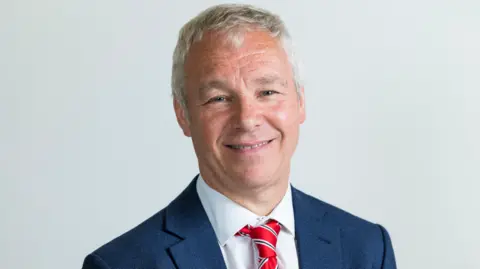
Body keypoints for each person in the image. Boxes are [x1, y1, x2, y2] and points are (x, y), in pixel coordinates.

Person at [82, 3, 397, 269]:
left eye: (268, 91)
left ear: (300, 102)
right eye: (219, 98)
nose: (247, 119)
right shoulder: (119, 264)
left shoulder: (367, 249)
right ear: (183, 115)